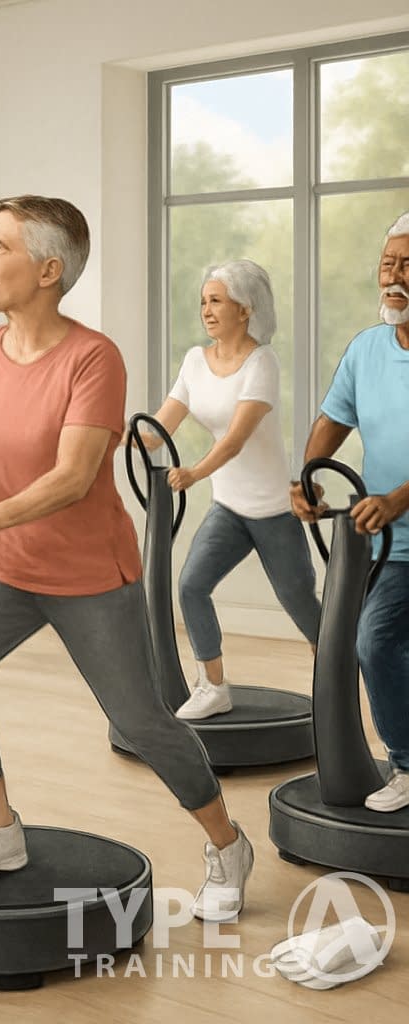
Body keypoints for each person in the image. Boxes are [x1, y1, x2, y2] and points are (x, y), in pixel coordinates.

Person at [0, 195, 253, 921]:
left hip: (88, 575)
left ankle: (227, 843)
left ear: (48, 270)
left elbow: (72, 476)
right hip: (7, 569)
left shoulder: (92, 358)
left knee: (140, 722)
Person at [142, 260, 320, 719]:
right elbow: (159, 428)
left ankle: (337, 672)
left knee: (301, 602)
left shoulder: (263, 362)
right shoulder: (194, 362)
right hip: (229, 509)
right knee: (191, 586)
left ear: (245, 309)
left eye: (216, 300)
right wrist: (111, 437)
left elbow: (236, 439)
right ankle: (214, 687)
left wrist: (193, 473)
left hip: (273, 509)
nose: (206, 309)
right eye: (203, 301)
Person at [290, 212, 409, 813]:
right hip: (388, 545)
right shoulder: (366, 349)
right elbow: (333, 419)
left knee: (379, 643)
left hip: (392, 521)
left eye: (407, 265)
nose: (394, 277)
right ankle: (407, 765)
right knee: (374, 644)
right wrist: (308, 476)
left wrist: (398, 499)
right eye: (388, 264)